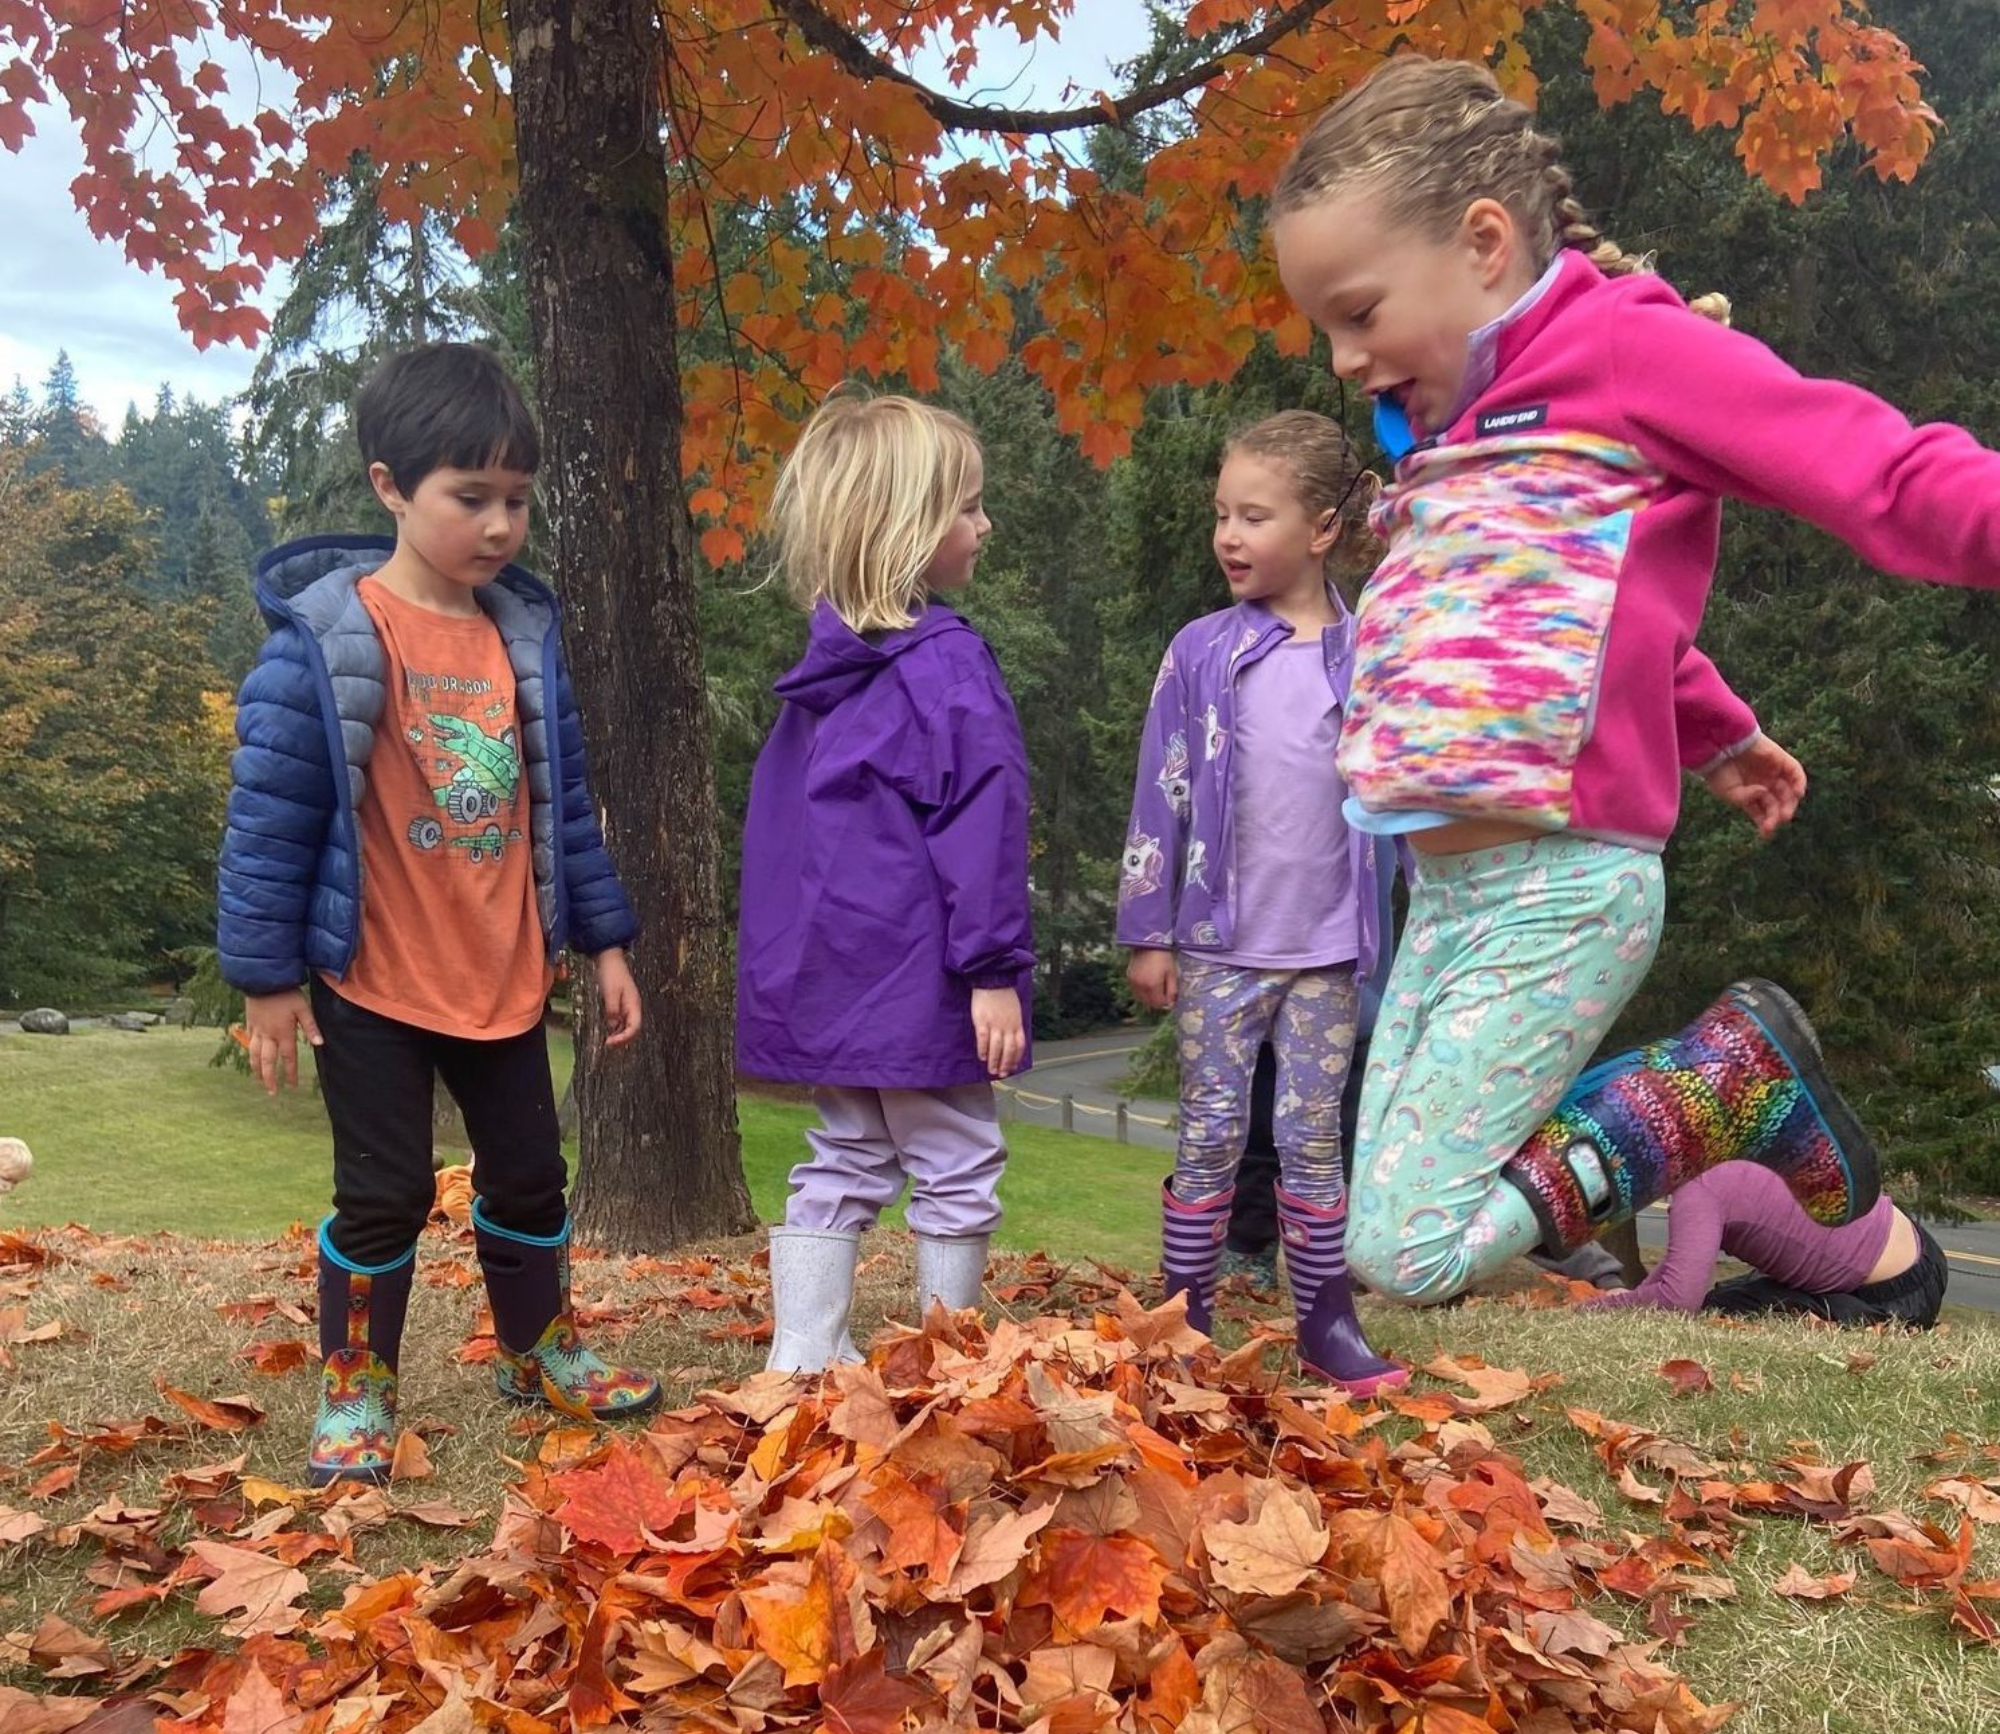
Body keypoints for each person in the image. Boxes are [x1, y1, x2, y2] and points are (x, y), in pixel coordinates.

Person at [1264, 54, 2000, 1306]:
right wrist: (1713, 733)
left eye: (1358, 311)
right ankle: (1667, 1136)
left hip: (1557, 889)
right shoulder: (1451, 429)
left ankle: (1716, 1084)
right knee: (1356, 1234)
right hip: (1443, 896)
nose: (1340, 358)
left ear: (1482, 245)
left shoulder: (1624, 349)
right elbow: (1595, 611)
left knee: (1406, 1248)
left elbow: (1864, 466)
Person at [216, 343, 657, 1488]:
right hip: (373, 978)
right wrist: (265, 979)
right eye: (471, 497)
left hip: (503, 969)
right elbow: (269, 818)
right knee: (386, 1193)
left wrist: (604, 940)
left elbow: (563, 806)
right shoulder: (324, 642)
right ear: (389, 487)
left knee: (530, 1175)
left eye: (517, 498)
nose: (501, 525)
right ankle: (358, 1380)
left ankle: (536, 1347)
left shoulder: (521, 638)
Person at [736, 389, 1033, 1375]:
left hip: (834, 975)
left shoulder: (822, 682)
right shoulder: (947, 667)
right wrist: (991, 969)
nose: (984, 525)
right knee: (954, 1156)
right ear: (905, 529)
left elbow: (786, 852)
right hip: (922, 975)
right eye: (966, 507)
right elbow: (980, 826)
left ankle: (803, 1354)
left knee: (846, 1152)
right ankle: (949, 1365)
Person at [1120, 410, 1408, 1394]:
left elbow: (1402, 801)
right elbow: (1158, 793)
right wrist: (1147, 931)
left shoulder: (1367, 654)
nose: (1228, 537)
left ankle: (1325, 1324)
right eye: (1220, 515)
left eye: (1253, 516)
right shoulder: (1200, 652)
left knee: (1309, 1143)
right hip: (1216, 948)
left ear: (1322, 527)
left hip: (1326, 953)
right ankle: (1181, 1320)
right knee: (1207, 1130)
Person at [1585, 1163, 1947, 1327]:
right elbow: (1679, 1266)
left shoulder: (1698, 1190)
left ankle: (1851, 1317)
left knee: (1723, 1306)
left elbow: (1679, 1300)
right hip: (1917, 1247)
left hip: (1897, 1299)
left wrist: (1593, 1310)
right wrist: (1631, 1298)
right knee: (1738, 1292)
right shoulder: (1725, 1152)